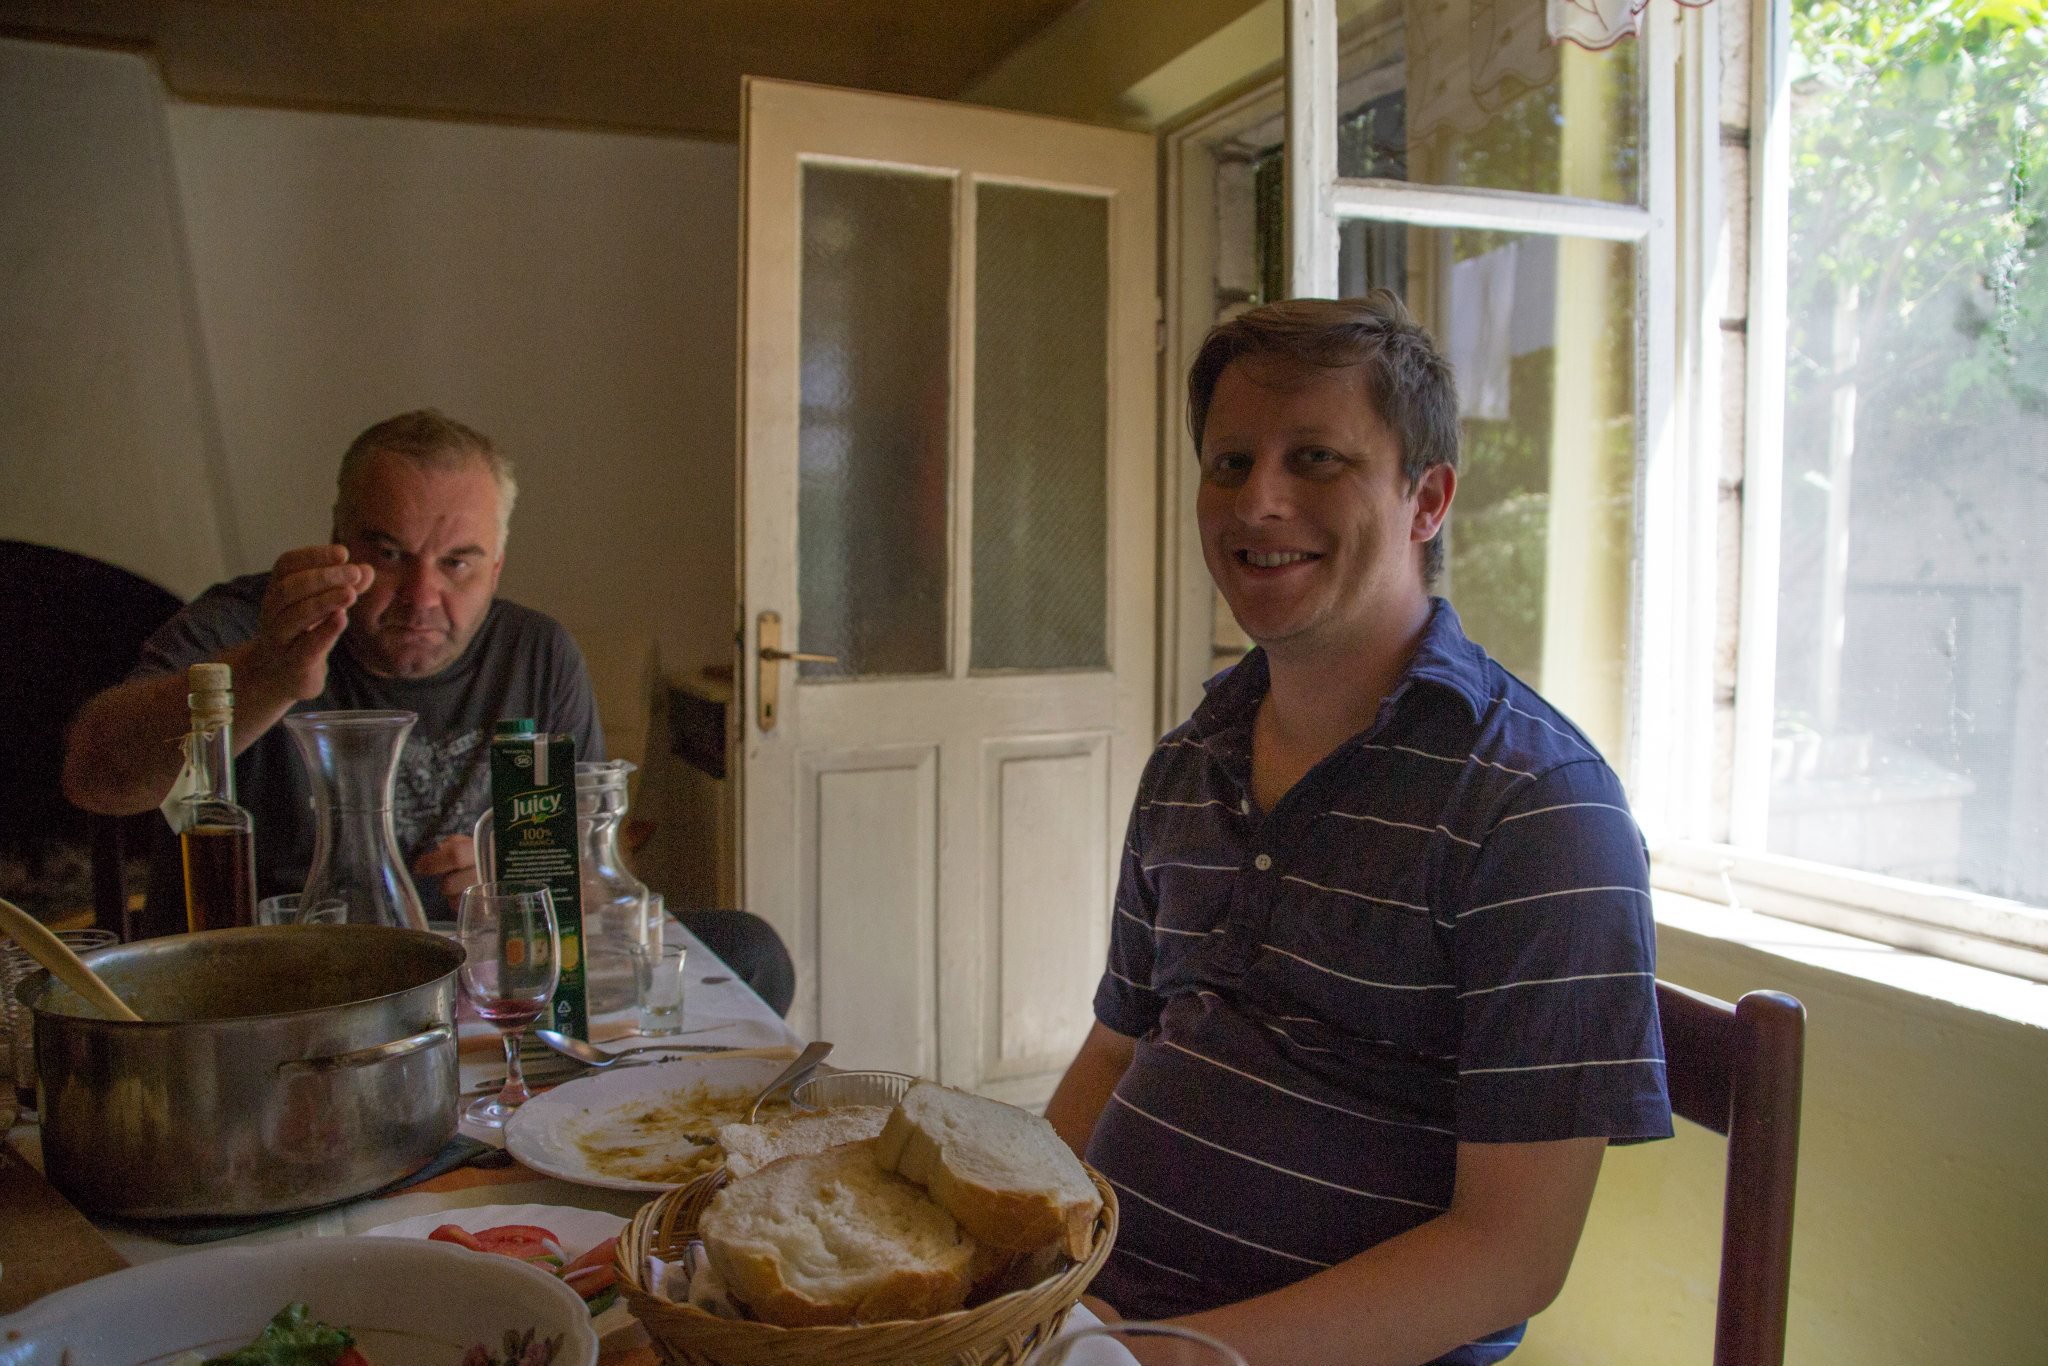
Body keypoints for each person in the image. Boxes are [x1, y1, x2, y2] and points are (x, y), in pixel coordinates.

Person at [1043, 295, 1670, 1366]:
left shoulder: (1536, 811)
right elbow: (1114, 1049)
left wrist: (1162, 1357)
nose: (1258, 502)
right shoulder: (1190, 761)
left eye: (1316, 459)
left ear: (1427, 500)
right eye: (1230, 463)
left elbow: (1510, 1256)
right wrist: (1004, 1259)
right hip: (1090, 1322)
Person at [62, 410, 794, 1013]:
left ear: (497, 567)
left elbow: (598, 873)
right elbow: (95, 777)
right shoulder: (253, 625)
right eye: (389, 555)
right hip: (281, 989)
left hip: (480, 975)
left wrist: (519, 877)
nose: (421, 597)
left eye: (457, 563)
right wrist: (268, 675)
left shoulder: (537, 654)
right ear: (338, 545)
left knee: (750, 948)